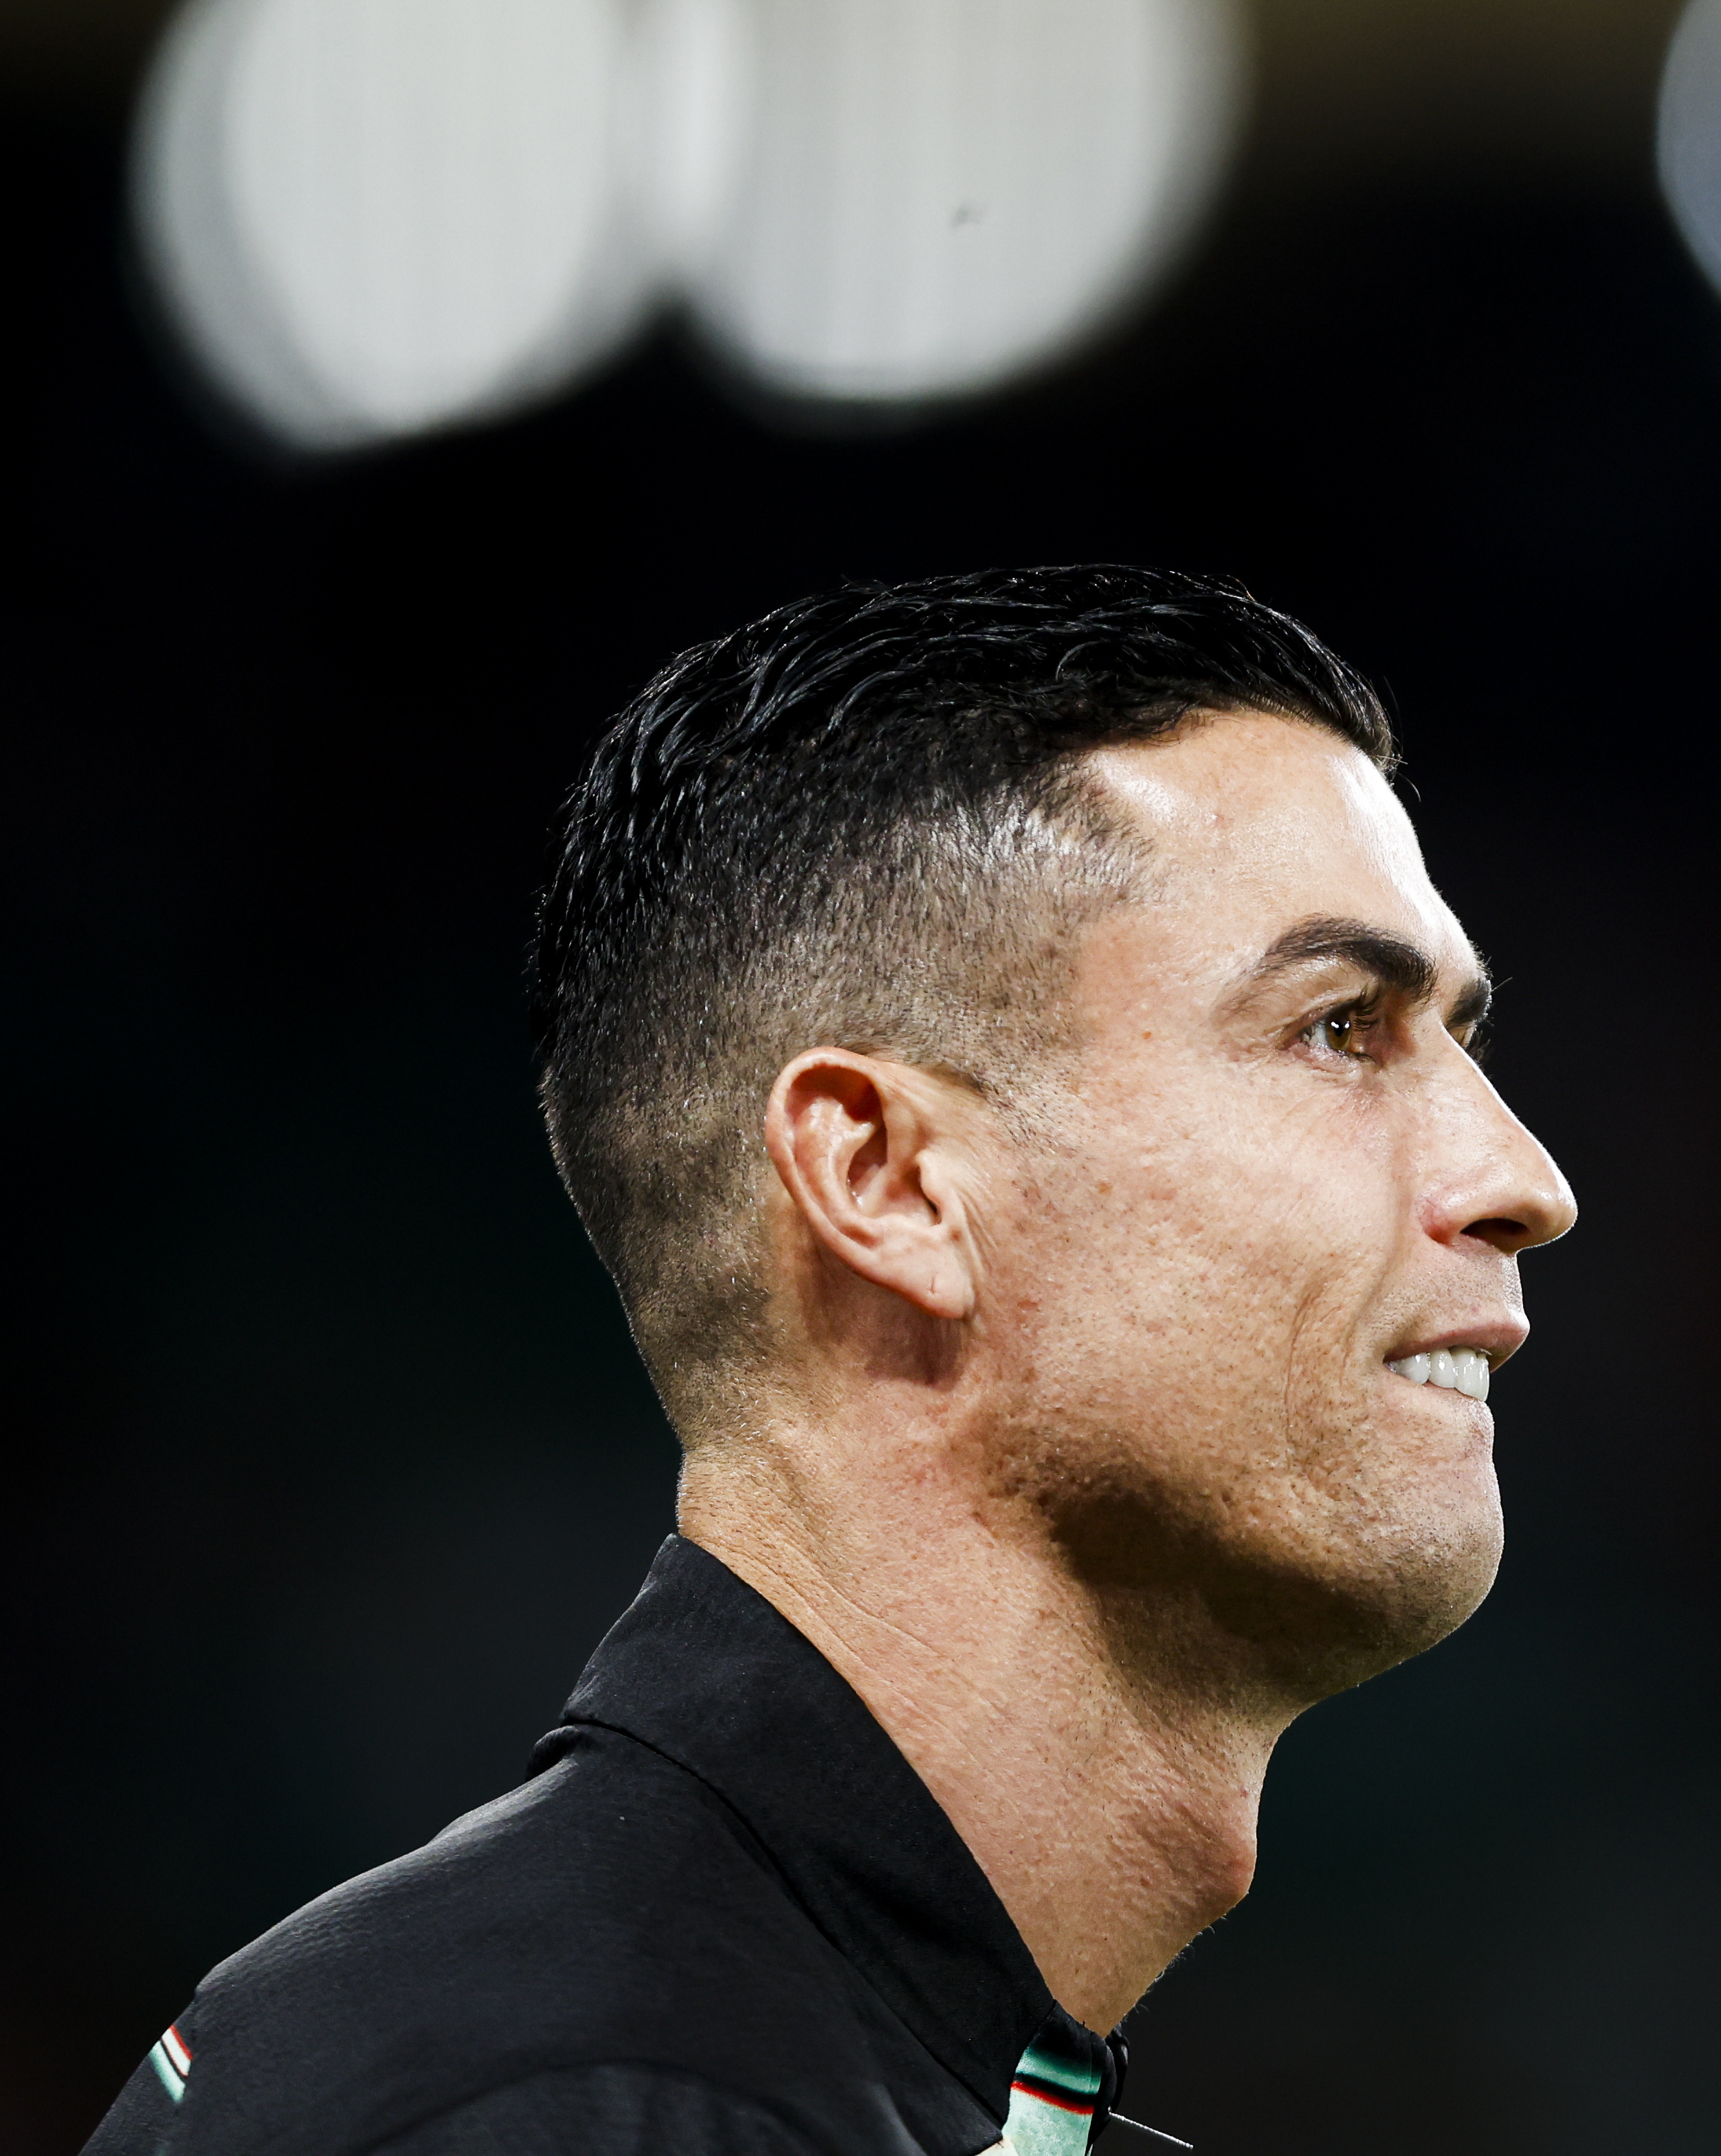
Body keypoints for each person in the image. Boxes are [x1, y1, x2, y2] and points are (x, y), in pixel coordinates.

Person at [81, 566, 1578, 2156]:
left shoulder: (704, 2065)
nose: (1527, 1179)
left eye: (1462, 1043)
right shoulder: (562, 2107)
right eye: (1340, 1025)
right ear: (884, 1180)